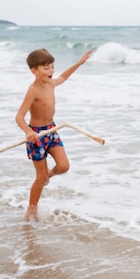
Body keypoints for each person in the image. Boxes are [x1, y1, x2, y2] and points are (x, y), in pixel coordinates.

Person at [16, 48, 92, 221]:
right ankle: (32, 208)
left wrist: (79, 63)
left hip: (52, 130)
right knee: (40, 177)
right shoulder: (33, 90)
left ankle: (49, 174)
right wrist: (28, 132)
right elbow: (19, 116)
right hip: (36, 136)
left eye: (52, 67)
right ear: (34, 71)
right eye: (46, 68)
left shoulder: (51, 83)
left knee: (64, 166)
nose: (51, 71)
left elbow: (63, 77)